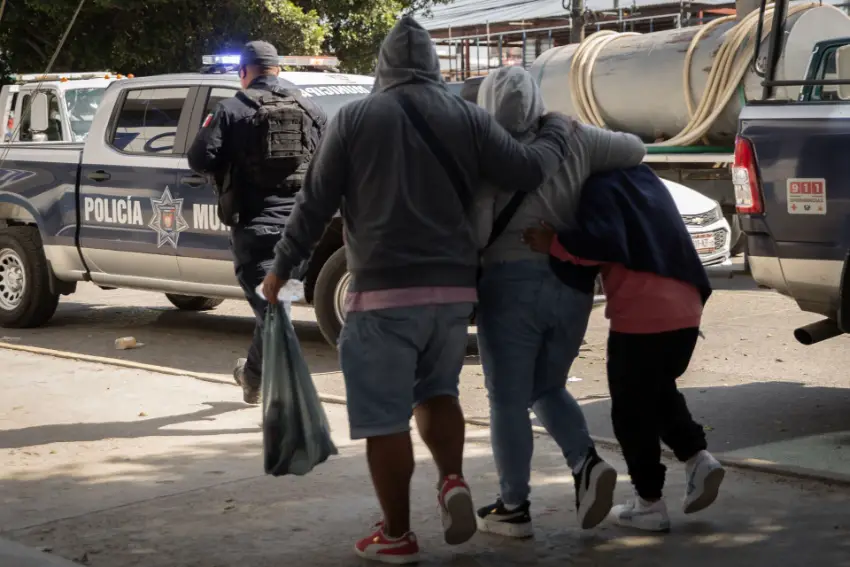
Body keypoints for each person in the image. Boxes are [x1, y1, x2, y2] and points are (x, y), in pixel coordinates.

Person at [262, 15, 575, 565]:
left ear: (383, 66)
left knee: (385, 419)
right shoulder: (467, 116)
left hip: (383, 296)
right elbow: (527, 170)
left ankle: (398, 534)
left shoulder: (355, 119)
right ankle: (452, 478)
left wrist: (281, 269)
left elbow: (313, 203)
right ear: (433, 67)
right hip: (453, 293)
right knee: (438, 392)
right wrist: (553, 128)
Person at [472, 66, 646, 537]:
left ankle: (514, 506)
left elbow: (480, 232)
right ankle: (585, 462)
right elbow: (636, 149)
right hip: (571, 280)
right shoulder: (574, 136)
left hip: (510, 286)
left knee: (507, 398)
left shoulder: (486, 151)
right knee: (545, 386)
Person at [522, 165, 725, 533]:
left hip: (642, 315)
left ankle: (649, 502)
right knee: (658, 390)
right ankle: (698, 459)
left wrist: (551, 242)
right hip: (687, 305)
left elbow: (601, 242)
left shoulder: (599, 187)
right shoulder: (645, 180)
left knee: (632, 415)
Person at [188, 40, 327, 405]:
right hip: (302, 236)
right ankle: (252, 377)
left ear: (244, 72)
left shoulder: (232, 109)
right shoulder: (311, 108)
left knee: (274, 312)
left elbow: (200, 159)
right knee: (276, 308)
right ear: (277, 70)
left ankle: (287, 397)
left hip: (257, 232)